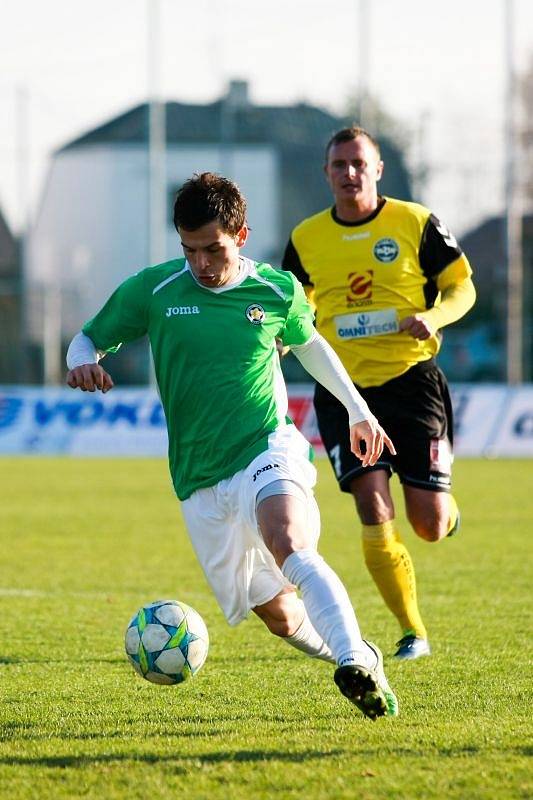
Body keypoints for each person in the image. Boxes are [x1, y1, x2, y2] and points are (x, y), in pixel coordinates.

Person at [66, 172, 398, 719]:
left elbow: (310, 345)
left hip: (265, 447)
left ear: (240, 235)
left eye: (212, 248)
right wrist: (82, 361)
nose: (200, 263)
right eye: (189, 250)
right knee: (279, 616)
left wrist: (359, 411)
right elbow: (88, 337)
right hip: (199, 478)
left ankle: (349, 659)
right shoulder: (154, 290)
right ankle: (363, 656)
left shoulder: (275, 291)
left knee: (288, 539)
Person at [282, 126, 476, 660]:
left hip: (412, 383)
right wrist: (279, 338)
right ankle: (413, 632)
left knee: (429, 524)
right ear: (326, 173)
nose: (349, 174)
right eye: (339, 165)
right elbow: (295, 305)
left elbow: (463, 285)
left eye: (358, 164)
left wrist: (434, 315)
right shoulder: (305, 238)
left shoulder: (414, 222)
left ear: (378, 169)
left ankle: (446, 512)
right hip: (345, 393)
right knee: (371, 503)